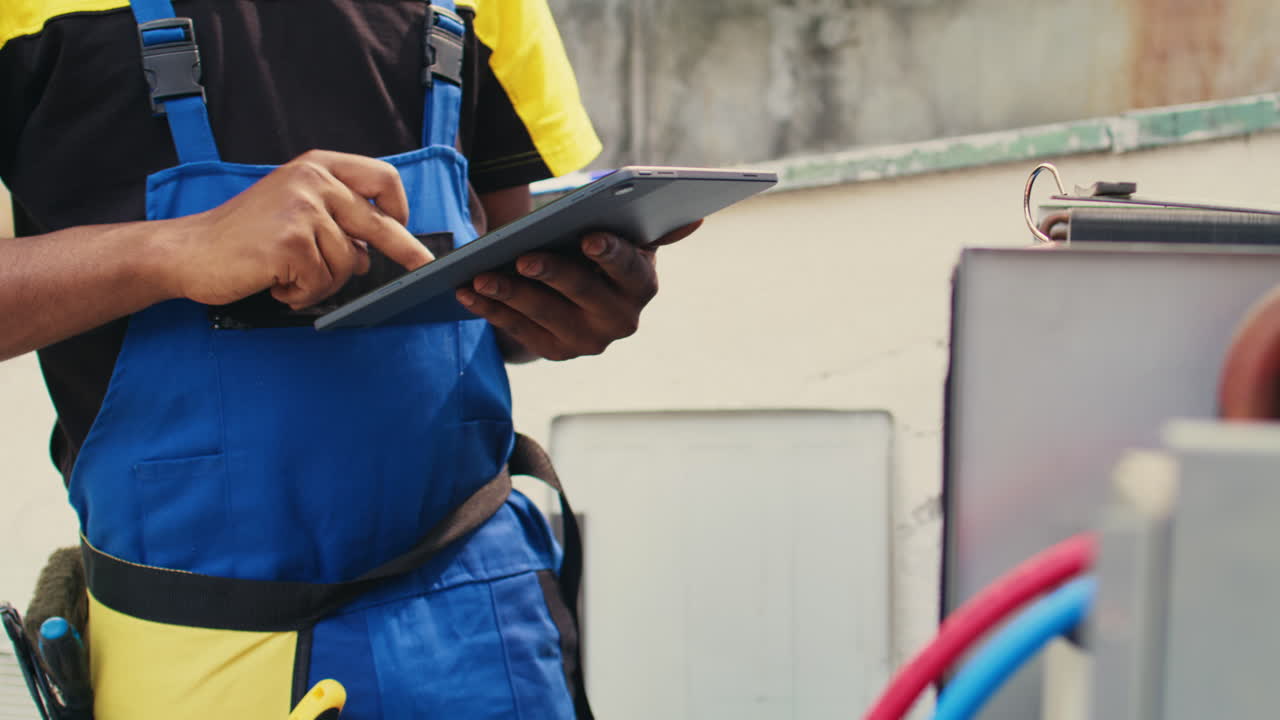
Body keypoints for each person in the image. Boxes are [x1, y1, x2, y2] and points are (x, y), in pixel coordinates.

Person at [0, 0, 699, 717]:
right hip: (194, 651)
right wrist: (171, 250)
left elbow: (504, 265)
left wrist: (567, 301)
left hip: (484, 631)